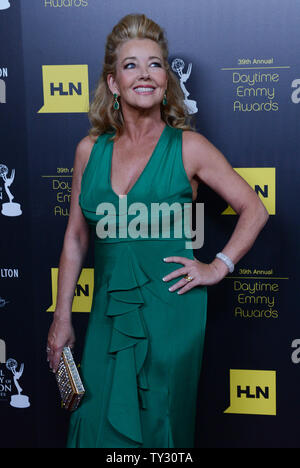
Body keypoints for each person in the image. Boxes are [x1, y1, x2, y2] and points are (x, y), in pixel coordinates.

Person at [47, 13, 269, 448]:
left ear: (166, 80)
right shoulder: (88, 150)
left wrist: (218, 266)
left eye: (155, 64)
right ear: (113, 82)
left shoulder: (188, 146)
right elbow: (75, 237)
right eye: (131, 65)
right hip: (109, 314)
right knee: (93, 427)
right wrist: (62, 316)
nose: (144, 74)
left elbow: (254, 208)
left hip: (172, 316)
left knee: (159, 432)